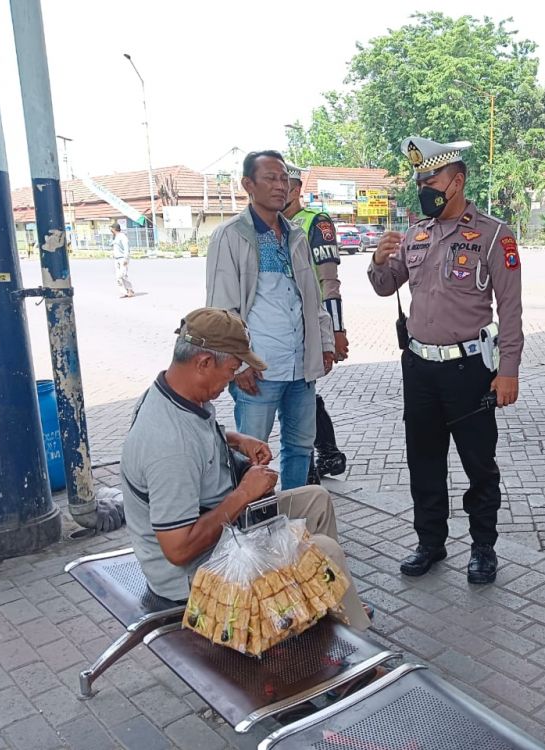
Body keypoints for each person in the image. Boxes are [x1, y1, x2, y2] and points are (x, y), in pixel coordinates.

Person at [120, 307, 369, 629]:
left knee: (316, 500)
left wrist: (237, 440)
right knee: (325, 551)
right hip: (196, 577)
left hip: (225, 534)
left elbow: (198, 439)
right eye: (232, 369)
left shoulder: (174, 393)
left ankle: (330, 603)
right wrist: (244, 494)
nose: (232, 378)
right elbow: (179, 550)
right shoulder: (170, 445)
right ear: (203, 362)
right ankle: (353, 638)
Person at [367, 137, 523, 584]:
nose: (423, 190)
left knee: (478, 464)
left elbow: (510, 309)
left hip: (468, 371)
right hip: (419, 369)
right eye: (419, 182)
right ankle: (430, 542)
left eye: (430, 182)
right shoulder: (416, 234)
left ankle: (483, 548)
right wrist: (378, 261)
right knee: (424, 461)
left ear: (456, 182)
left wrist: (508, 371)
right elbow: (385, 285)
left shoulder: (494, 235)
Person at [205, 150, 335, 490]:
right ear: (248, 185)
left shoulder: (296, 235)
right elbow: (221, 309)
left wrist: (324, 343)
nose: (280, 186)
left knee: (300, 448)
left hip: (300, 367)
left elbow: (312, 298)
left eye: (284, 179)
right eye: (270, 179)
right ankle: (255, 516)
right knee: (253, 454)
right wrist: (237, 364)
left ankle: (294, 514)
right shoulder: (231, 235)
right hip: (258, 370)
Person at [280, 161, 349, 483]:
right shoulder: (268, 225)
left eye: (285, 185)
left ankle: (311, 467)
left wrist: (336, 330)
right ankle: (328, 454)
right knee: (296, 393)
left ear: (296, 190)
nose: (278, 191)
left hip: (310, 323)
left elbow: (328, 281)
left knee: (300, 393)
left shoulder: (315, 223)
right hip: (281, 326)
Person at [110, 221, 135, 298]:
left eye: (111, 229)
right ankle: (124, 292)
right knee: (118, 276)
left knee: (123, 275)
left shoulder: (122, 237)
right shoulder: (115, 237)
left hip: (123, 259)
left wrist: (126, 259)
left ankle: (130, 289)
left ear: (114, 229)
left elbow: (126, 248)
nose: (111, 230)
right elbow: (112, 245)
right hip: (117, 259)